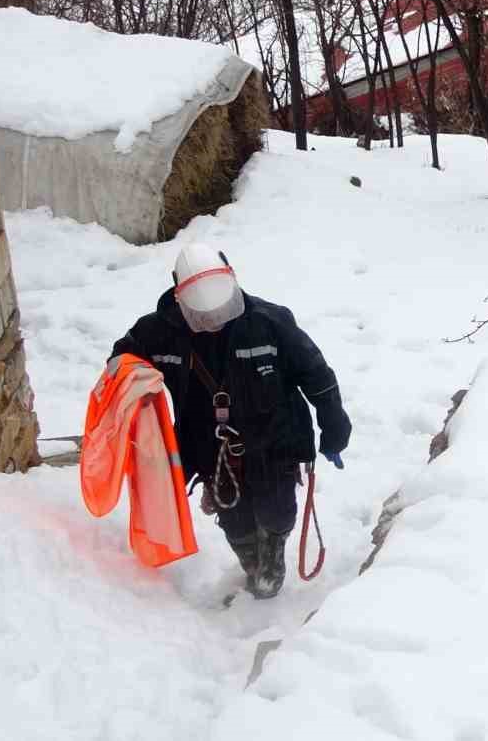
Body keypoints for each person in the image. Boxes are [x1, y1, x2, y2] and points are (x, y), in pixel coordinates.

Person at [110, 243, 351, 598]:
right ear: (180, 298)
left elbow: (316, 376)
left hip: (275, 443)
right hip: (210, 448)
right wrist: (128, 375)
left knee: (276, 510)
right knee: (234, 519)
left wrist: (334, 430)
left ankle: (273, 552)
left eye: (222, 309)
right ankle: (250, 559)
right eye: (203, 316)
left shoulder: (272, 323)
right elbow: (121, 359)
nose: (214, 322)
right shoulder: (158, 333)